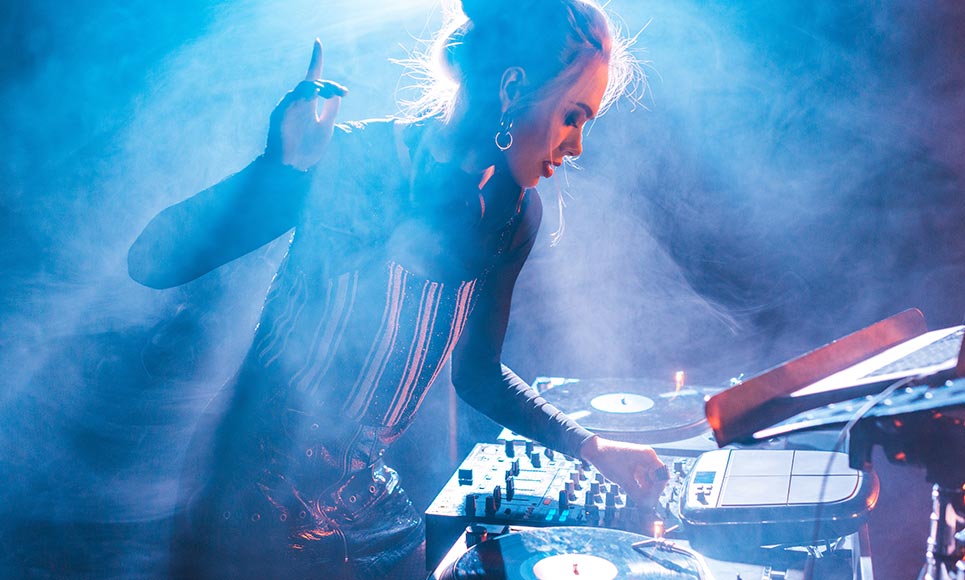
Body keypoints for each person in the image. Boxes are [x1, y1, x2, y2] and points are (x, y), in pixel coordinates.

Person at [128, 0, 668, 577]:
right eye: (573, 117)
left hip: (368, 509)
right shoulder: (355, 158)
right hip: (246, 504)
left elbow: (478, 374)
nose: (577, 146)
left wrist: (592, 447)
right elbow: (152, 261)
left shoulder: (515, 215)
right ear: (512, 89)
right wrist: (277, 171)